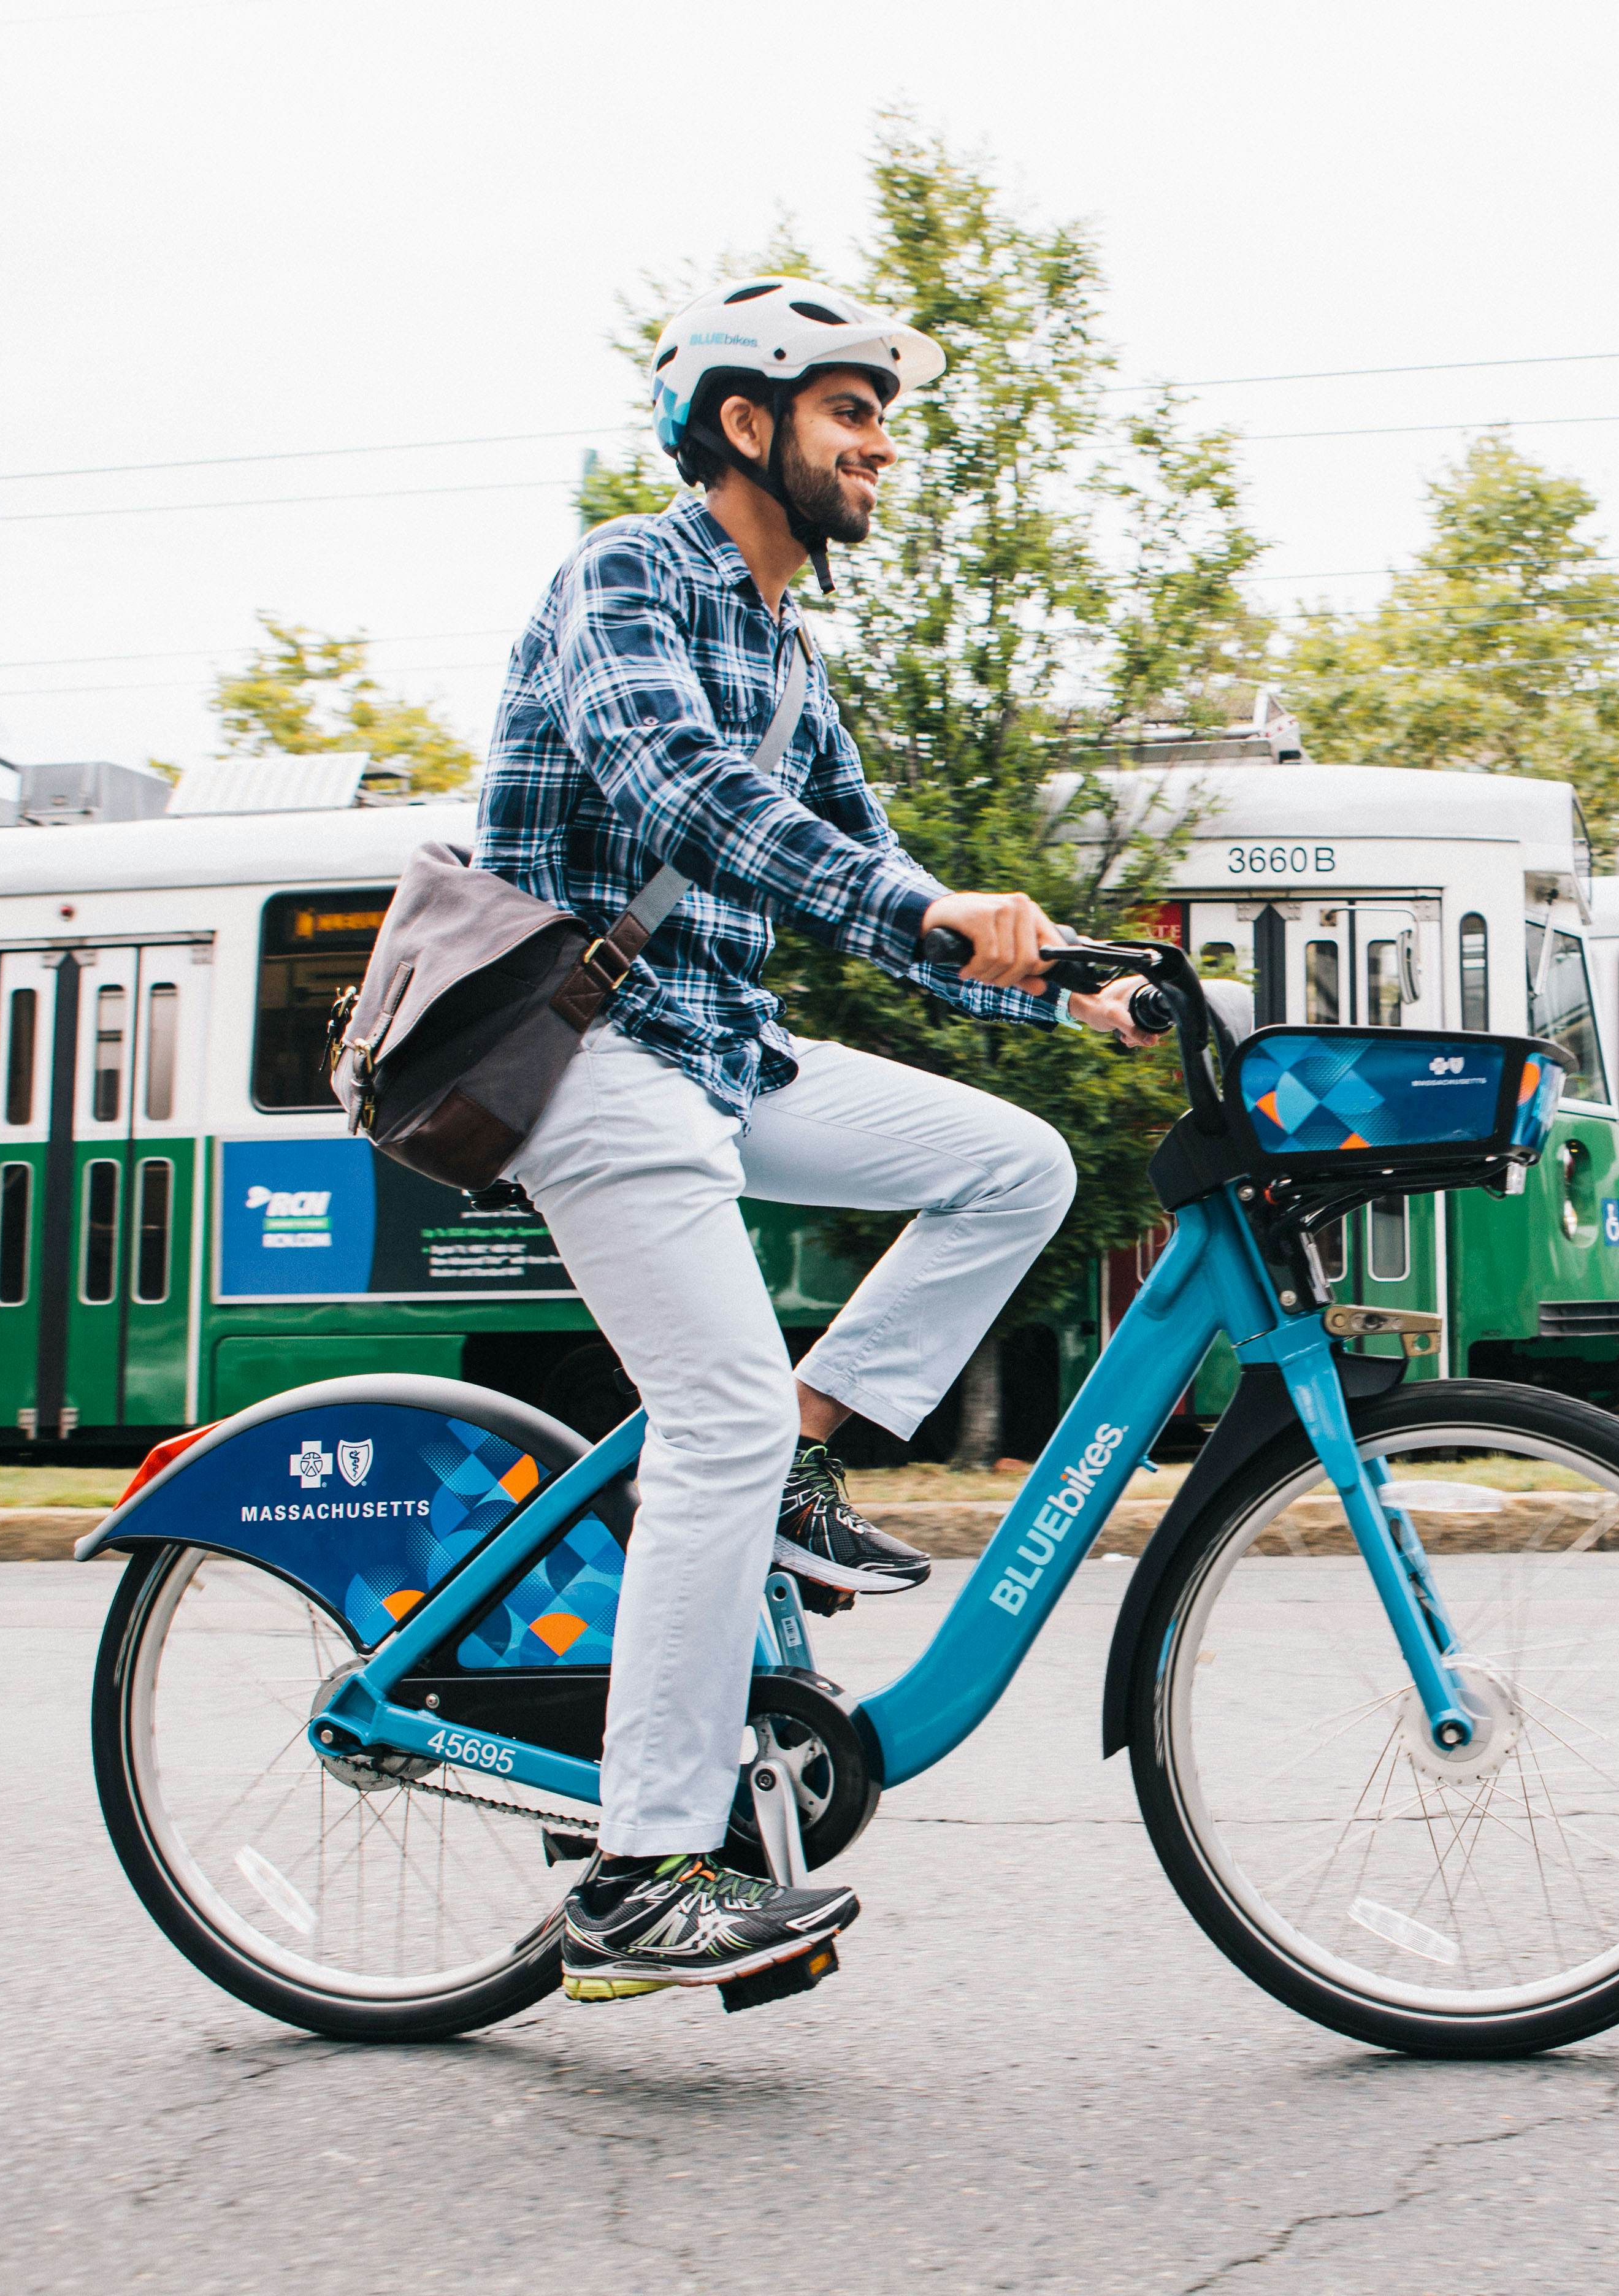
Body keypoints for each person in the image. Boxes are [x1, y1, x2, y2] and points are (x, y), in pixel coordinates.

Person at [478, 275, 1160, 2006]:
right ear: (743, 422)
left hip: (721, 1050)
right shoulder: (626, 577)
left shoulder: (790, 646)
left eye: (883, 421)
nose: (880, 450)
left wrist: (1074, 985)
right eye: (852, 413)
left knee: (1018, 1165)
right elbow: (686, 793)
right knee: (697, 1414)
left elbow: (879, 879)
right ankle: (642, 1877)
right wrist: (933, 910)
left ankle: (801, 1441)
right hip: (587, 1055)